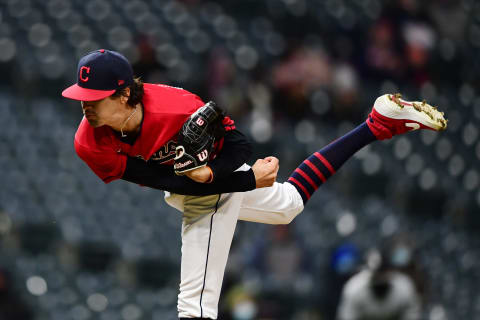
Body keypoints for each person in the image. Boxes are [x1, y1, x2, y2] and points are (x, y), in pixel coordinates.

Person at [61, 49, 447, 320]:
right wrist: (244, 180)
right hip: (196, 183)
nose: (85, 106)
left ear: (125, 92)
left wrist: (224, 177)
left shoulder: (178, 107)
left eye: (93, 99)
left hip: (213, 182)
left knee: (195, 305)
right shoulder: (88, 141)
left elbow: (240, 144)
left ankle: (374, 125)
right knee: (290, 205)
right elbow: (153, 177)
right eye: (81, 98)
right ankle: (375, 125)